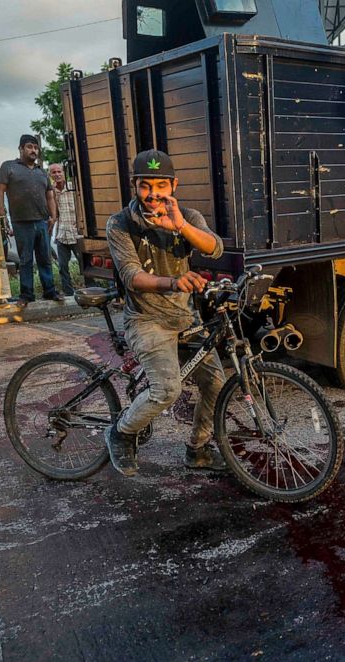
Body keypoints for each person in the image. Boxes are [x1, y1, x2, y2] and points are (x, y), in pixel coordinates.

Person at [105, 149, 226, 477]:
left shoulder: (186, 216)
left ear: (174, 184)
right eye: (146, 185)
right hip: (146, 319)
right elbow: (132, 276)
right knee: (167, 390)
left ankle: (198, 450)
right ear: (134, 186)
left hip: (184, 318)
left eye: (161, 185)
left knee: (217, 384)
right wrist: (173, 281)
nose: (154, 193)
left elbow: (214, 248)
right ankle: (121, 432)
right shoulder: (119, 223)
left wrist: (180, 226)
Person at [0, 135, 63, 306]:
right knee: (25, 260)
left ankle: (50, 291)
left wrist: (53, 217)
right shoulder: (9, 167)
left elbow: (50, 196)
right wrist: (2, 214)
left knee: (45, 259)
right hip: (21, 222)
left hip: (42, 221)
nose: (33, 150)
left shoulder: (41, 172)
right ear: (21, 148)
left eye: (36, 147)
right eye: (29, 147)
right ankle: (26, 295)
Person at [48, 163, 82, 296]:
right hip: (62, 234)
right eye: (53, 172)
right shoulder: (51, 192)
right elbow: (53, 213)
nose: (57, 175)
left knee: (83, 262)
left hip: (76, 233)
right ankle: (68, 292)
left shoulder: (73, 188)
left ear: (64, 173)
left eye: (59, 172)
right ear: (50, 175)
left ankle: (91, 287)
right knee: (63, 266)